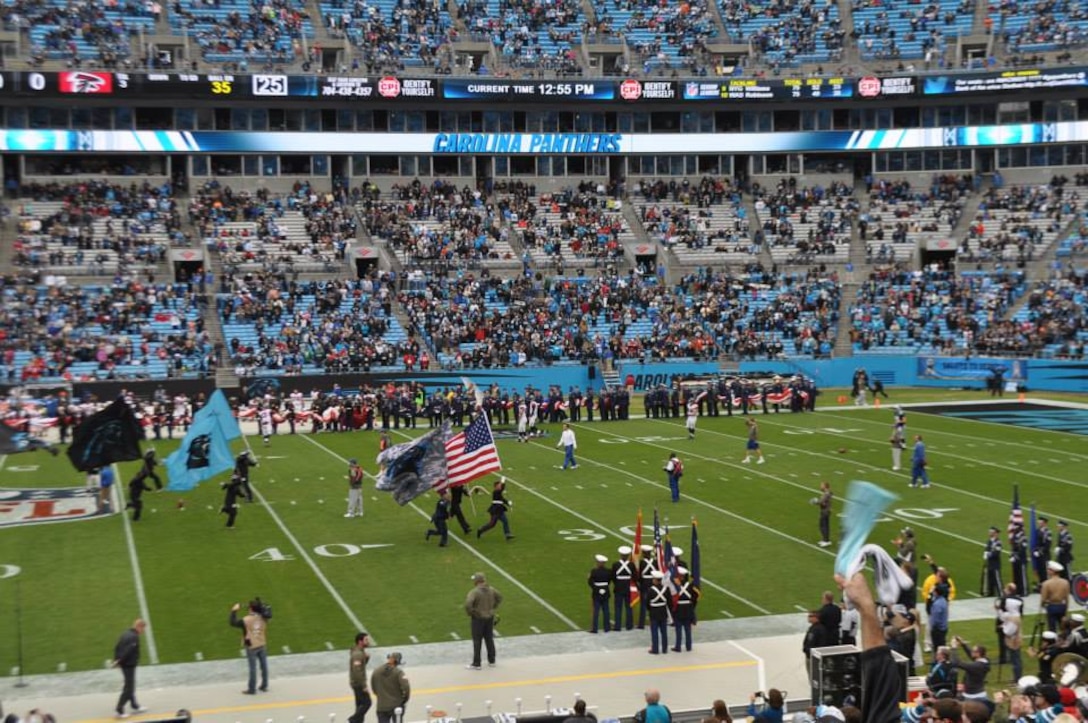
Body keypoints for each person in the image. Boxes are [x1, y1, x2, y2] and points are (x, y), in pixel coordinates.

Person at [230, 599, 270, 694]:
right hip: (262, 643)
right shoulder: (264, 617)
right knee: (264, 666)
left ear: (251, 609)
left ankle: (252, 689)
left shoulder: (246, 619)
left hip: (251, 644)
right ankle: (264, 685)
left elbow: (233, 622)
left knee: (253, 668)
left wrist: (233, 611)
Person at [465, 572, 502, 669]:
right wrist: (493, 607)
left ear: (476, 581)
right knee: (489, 639)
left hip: (478, 619)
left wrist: (472, 612)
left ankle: (477, 663)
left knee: (477, 641)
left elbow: (468, 604)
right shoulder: (491, 590)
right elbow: (499, 598)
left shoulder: (474, 592)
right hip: (489, 617)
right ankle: (492, 660)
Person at [112, 618, 148, 719]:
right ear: (139, 627)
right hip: (129, 665)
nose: (143, 631)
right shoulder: (134, 637)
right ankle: (119, 709)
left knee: (130, 685)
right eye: (143, 629)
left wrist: (116, 659)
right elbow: (128, 651)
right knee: (129, 688)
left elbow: (117, 647)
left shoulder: (125, 633)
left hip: (124, 664)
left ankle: (134, 705)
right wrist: (119, 661)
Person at [371, 652, 410, 723]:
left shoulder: (376, 671)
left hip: (381, 706)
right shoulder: (399, 672)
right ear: (397, 661)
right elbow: (406, 687)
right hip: (396, 705)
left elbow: (374, 688)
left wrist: (382, 696)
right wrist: (405, 699)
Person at [950, 635, 991, 703]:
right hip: (979, 693)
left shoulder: (976, 666)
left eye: (973, 651)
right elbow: (972, 656)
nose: (971, 651)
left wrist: (954, 648)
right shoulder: (985, 661)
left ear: (978, 654)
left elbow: (956, 663)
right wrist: (963, 644)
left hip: (973, 696)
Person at [997, 583, 1024, 681]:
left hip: (1013, 639)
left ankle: (1017, 678)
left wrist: (1002, 628)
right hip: (1014, 637)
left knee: (1015, 658)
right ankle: (1016, 677)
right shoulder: (1014, 614)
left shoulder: (1013, 617)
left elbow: (1009, 631)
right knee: (1015, 658)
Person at [671, 566, 697, 652]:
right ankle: (688, 646)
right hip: (688, 609)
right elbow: (694, 597)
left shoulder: (676, 585)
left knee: (678, 629)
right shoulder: (691, 586)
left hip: (679, 609)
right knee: (687, 629)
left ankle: (678, 647)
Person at [348, 632, 372, 723]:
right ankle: (353, 720)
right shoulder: (358, 654)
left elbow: (361, 666)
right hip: (358, 683)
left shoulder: (360, 652)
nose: (368, 641)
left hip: (356, 682)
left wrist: (366, 658)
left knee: (360, 705)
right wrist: (364, 685)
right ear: (360, 641)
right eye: (366, 640)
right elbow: (357, 671)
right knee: (367, 703)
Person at [1040, 560, 1069, 632]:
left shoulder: (1046, 583)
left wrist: (1042, 605)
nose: (1047, 571)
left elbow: (1043, 599)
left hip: (1051, 606)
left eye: (1049, 569)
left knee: (1052, 629)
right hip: (1062, 606)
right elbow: (1067, 598)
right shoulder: (1065, 582)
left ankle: (1053, 642)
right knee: (1063, 627)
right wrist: (1066, 609)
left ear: (1052, 571)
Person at [612, 546, 636, 631]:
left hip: (618, 587)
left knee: (618, 607)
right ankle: (629, 625)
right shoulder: (631, 564)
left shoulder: (615, 564)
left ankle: (617, 626)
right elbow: (634, 577)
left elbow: (613, 577)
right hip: (628, 587)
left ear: (620, 555)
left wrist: (617, 584)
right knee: (629, 607)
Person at [646, 570, 670, 654]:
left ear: (656, 580)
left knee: (655, 632)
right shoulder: (666, 589)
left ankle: (655, 649)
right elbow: (669, 601)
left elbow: (647, 603)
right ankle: (665, 649)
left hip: (654, 613)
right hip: (663, 612)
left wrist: (650, 610)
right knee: (664, 632)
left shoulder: (650, 590)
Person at [588, 554, 612, 633]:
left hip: (597, 592)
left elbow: (590, 582)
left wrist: (596, 589)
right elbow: (609, 581)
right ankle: (607, 628)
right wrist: (603, 588)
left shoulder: (594, 571)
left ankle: (595, 628)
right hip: (605, 591)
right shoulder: (608, 571)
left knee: (596, 611)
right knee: (606, 610)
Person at [1032, 516, 1053, 591]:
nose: (1039, 523)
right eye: (1039, 522)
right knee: (1040, 571)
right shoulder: (1037, 531)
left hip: (1044, 555)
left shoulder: (1048, 532)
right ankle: (1041, 587)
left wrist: (1039, 551)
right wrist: (1035, 551)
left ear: (1045, 523)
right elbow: (1035, 543)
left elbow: (1047, 545)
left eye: (1041, 522)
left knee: (1045, 572)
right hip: (1038, 555)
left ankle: (1047, 588)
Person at [984, 526, 1004, 597]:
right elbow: (987, 548)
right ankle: (990, 593)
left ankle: (1001, 593)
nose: (989, 533)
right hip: (990, 563)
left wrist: (988, 554)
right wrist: (986, 552)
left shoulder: (998, 542)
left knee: (997, 579)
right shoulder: (989, 541)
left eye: (991, 532)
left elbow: (996, 553)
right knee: (990, 579)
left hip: (995, 564)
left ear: (995, 533)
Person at [814, 481, 833, 547]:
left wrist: (815, 501)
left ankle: (826, 541)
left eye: (822, 485)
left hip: (825, 511)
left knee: (823, 526)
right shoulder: (826, 493)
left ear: (825, 486)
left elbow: (821, 502)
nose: (820, 486)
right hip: (825, 510)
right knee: (824, 525)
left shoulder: (826, 493)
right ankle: (825, 539)